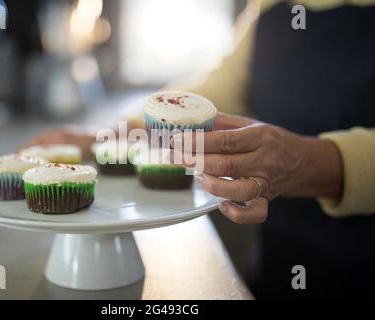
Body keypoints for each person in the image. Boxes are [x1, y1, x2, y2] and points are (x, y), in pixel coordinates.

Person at [24, 0, 375, 299]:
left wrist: (310, 163)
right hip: (283, 260)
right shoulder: (271, 7)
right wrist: (104, 137)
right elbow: (207, 100)